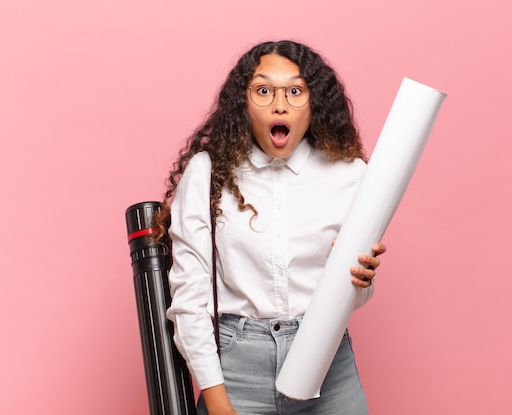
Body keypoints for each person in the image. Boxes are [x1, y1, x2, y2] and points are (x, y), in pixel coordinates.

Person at [156, 40, 386, 415]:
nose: (280, 105)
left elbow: (356, 297)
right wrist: (217, 400)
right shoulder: (207, 172)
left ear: (315, 103)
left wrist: (361, 282)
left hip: (328, 366)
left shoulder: (351, 174)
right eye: (263, 90)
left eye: (295, 91)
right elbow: (189, 298)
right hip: (236, 371)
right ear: (243, 103)